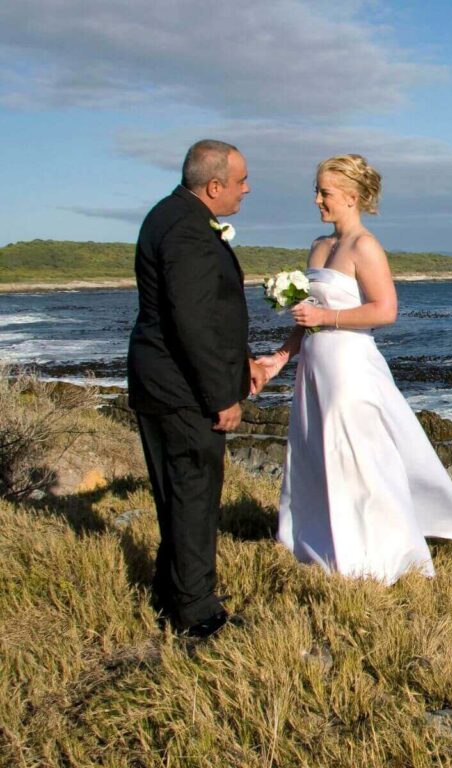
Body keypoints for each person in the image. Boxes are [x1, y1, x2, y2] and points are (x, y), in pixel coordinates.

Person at [256, 154, 452, 583]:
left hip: (350, 367)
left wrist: (326, 320)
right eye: (317, 190)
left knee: (358, 457)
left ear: (352, 197)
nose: (317, 199)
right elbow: (309, 314)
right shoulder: (319, 247)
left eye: (326, 192)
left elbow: (385, 310)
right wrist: (282, 355)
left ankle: (380, 554)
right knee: (316, 451)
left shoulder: (365, 247)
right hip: (315, 368)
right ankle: (321, 542)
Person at [127, 139, 267, 638]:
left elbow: (206, 315)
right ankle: (197, 613)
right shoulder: (186, 230)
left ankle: (172, 591)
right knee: (194, 494)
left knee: (177, 492)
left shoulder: (168, 215)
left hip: (161, 382)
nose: (246, 189)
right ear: (214, 186)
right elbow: (191, 322)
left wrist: (242, 359)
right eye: (241, 180)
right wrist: (221, 397)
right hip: (182, 389)